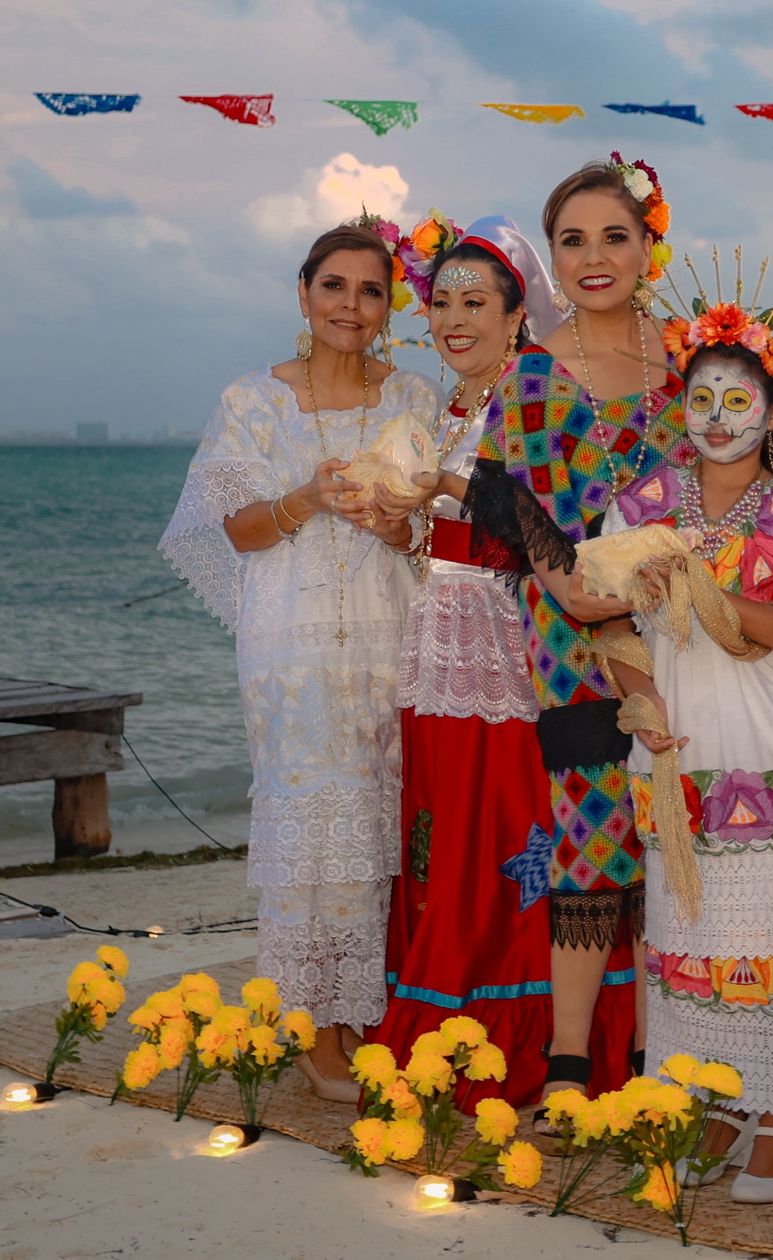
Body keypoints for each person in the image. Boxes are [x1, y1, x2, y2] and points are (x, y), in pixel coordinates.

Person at [159, 220, 441, 1101]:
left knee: (374, 823)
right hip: (289, 645)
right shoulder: (253, 399)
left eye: (368, 290)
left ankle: (362, 1010)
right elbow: (232, 529)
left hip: (389, 635)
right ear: (304, 294)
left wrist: (399, 525)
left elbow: (435, 527)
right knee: (306, 817)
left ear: (388, 305)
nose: (349, 306)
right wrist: (308, 496)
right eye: (334, 287)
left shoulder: (415, 399)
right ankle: (312, 1024)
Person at [595, 282, 773, 1203]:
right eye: (701, 398)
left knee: (769, 934)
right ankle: (712, 1101)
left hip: (770, 741)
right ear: (678, 407)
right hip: (677, 748)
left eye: (739, 399)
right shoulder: (641, 503)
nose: (718, 417)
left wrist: (703, 594)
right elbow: (610, 628)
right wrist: (642, 704)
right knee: (689, 938)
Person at [465, 155, 691, 1110]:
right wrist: (588, 599)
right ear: (551, 258)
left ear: (649, 244)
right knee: (595, 836)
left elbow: (755, 485)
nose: (595, 257)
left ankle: (670, 1052)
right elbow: (520, 524)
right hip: (575, 635)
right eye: (572, 240)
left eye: (614, 235)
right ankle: (569, 1062)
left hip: (696, 626)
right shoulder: (531, 375)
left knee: (689, 830)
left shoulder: (697, 358)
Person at [367, 214, 592, 1106]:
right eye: (441, 302)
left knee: (501, 831)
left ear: (515, 315)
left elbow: (550, 530)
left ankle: (507, 1026)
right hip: (437, 641)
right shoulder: (449, 406)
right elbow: (445, 529)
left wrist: (449, 488)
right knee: (438, 830)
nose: (454, 319)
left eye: (475, 302)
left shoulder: (534, 392)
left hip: (506, 652)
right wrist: (399, 519)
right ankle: (437, 1008)